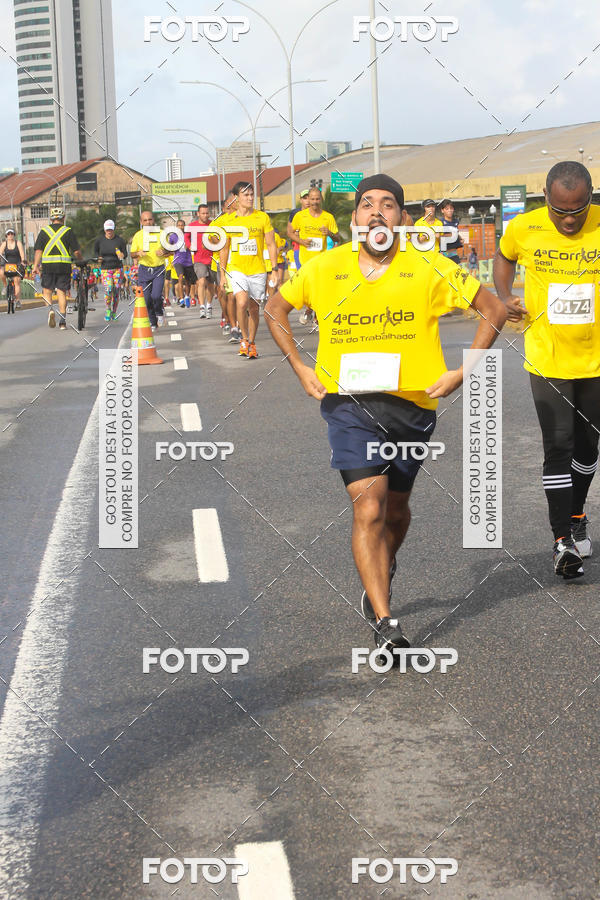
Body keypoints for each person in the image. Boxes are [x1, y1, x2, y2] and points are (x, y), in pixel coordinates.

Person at [265, 174, 507, 653]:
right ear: (355, 216)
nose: (377, 211)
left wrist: (464, 372)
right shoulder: (324, 267)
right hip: (349, 406)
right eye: (367, 204)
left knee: (395, 510)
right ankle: (385, 621)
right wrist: (298, 366)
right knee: (369, 505)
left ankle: (384, 563)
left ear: (402, 218)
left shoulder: (427, 265)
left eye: (388, 204)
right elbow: (274, 309)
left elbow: (493, 308)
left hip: (412, 408)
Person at [493, 160, 600, 579]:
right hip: (546, 355)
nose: (569, 220)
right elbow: (504, 258)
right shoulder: (524, 227)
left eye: (578, 210)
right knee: (559, 446)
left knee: (588, 449)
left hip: (595, 359)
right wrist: (504, 295)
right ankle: (561, 542)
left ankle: (576, 515)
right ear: (545, 198)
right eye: (560, 211)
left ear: (590, 198)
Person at [219, 181, 277, 359]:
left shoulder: (262, 217)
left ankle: (251, 342)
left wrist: (274, 270)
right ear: (236, 198)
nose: (250, 198)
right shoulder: (229, 220)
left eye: (252, 194)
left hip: (257, 269)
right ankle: (243, 338)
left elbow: (271, 244)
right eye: (246, 195)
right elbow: (224, 249)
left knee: (253, 308)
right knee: (242, 302)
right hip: (236, 268)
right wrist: (222, 274)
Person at [290, 186, 342, 324]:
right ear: (308, 199)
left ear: (321, 199)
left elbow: (338, 238)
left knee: (319, 289)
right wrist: (301, 241)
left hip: (321, 260)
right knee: (308, 289)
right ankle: (309, 309)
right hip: (305, 260)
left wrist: (329, 233)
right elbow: (290, 232)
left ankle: (316, 316)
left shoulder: (328, 217)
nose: (314, 202)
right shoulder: (300, 216)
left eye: (317, 199)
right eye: (312, 199)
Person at [32, 207, 82, 329]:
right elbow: (76, 251)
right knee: (61, 292)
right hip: (63, 266)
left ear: (51, 219)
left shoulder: (44, 231)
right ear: (63, 218)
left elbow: (38, 251)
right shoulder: (68, 231)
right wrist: (81, 260)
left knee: (47, 291)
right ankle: (63, 322)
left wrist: (35, 266)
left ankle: (50, 310)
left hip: (48, 266)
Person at [130, 210, 171, 330]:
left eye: (150, 219)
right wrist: (138, 253)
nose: (148, 222)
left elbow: (171, 250)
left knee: (156, 296)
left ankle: (159, 312)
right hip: (144, 270)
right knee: (146, 298)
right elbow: (132, 254)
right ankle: (153, 322)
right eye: (145, 220)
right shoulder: (138, 235)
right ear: (141, 222)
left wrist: (164, 251)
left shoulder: (162, 233)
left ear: (153, 220)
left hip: (158, 269)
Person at [93, 219, 127, 322]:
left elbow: (125, 254)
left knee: (116, 291)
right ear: (104, 230)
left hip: (117, 268)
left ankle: (114, 312)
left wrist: (122, 255)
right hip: (105, 269)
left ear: (114, 229)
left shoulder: (120, 240)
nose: (109, 232)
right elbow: (95, 252)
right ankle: (108, 309)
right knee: (108, 289)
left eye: (111, 230)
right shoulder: (99, 241)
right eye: (107, 230)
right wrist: (98, 258)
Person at [189, 203, 217, 320]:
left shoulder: (213, 224)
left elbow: (218, 238)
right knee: (201, 281)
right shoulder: (192, 226)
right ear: (198, 214)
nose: (205, 215)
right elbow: (186, 237)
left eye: (207, 213)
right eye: (203, 213)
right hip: (199, 259)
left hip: (212, 258)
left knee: (210, 284)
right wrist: (190, 246)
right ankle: (201, 307)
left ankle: (209, 306)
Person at [168, 217, 198, 309]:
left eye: (182, 225)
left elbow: (193, 245)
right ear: (176, 226)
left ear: (184, 226)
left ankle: (187, 297)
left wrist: (189, 246)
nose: (180, 227)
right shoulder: (173, 236)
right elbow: (169, 247)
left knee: (188, 282)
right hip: (178, 261)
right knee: (180, 278)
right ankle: (181, 299)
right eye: (179, 225)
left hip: (188, 261)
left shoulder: (188, 235)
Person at [0, 227, 26, 307]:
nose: (10, 235)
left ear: (14, 235)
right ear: (6, 235)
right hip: (7, 265)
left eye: (11, 234)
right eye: (8, 234)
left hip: (17, 265)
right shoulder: (4, 244)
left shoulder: (18, 243)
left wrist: (23, 262)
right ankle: (5, 286)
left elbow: (22, 254)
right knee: (1, 272)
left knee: (16, 281)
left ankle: (18, 300)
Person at [287, 188, 310, 272]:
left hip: (315, 249)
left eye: (309, 198)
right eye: (305, 198)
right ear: (301, 200)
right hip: (299, 248)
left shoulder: (317, 213)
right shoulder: (295, 213)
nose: (307, 201)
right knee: (301, 273)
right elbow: (289, 232)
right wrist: (298, 235)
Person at [439, 199, 463, 264]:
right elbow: (438, 236)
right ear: (442, 210)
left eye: (451, 208)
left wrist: (460, 238)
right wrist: (451, 235)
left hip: (453, 252)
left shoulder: (456, 221)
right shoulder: (440, 222)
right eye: (447, 209)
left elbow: (455, 233)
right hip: (443, 253)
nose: (449, 210)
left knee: (458, 269)